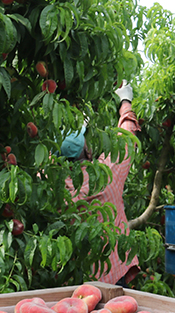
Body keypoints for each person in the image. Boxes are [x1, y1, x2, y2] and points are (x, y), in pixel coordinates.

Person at [63, 82, 141, 286]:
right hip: (113, 275)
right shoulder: (106, 173)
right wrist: (126, 100)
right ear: (85, 149)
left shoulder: (49, 184)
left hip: (71, 280)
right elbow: (126, 136)